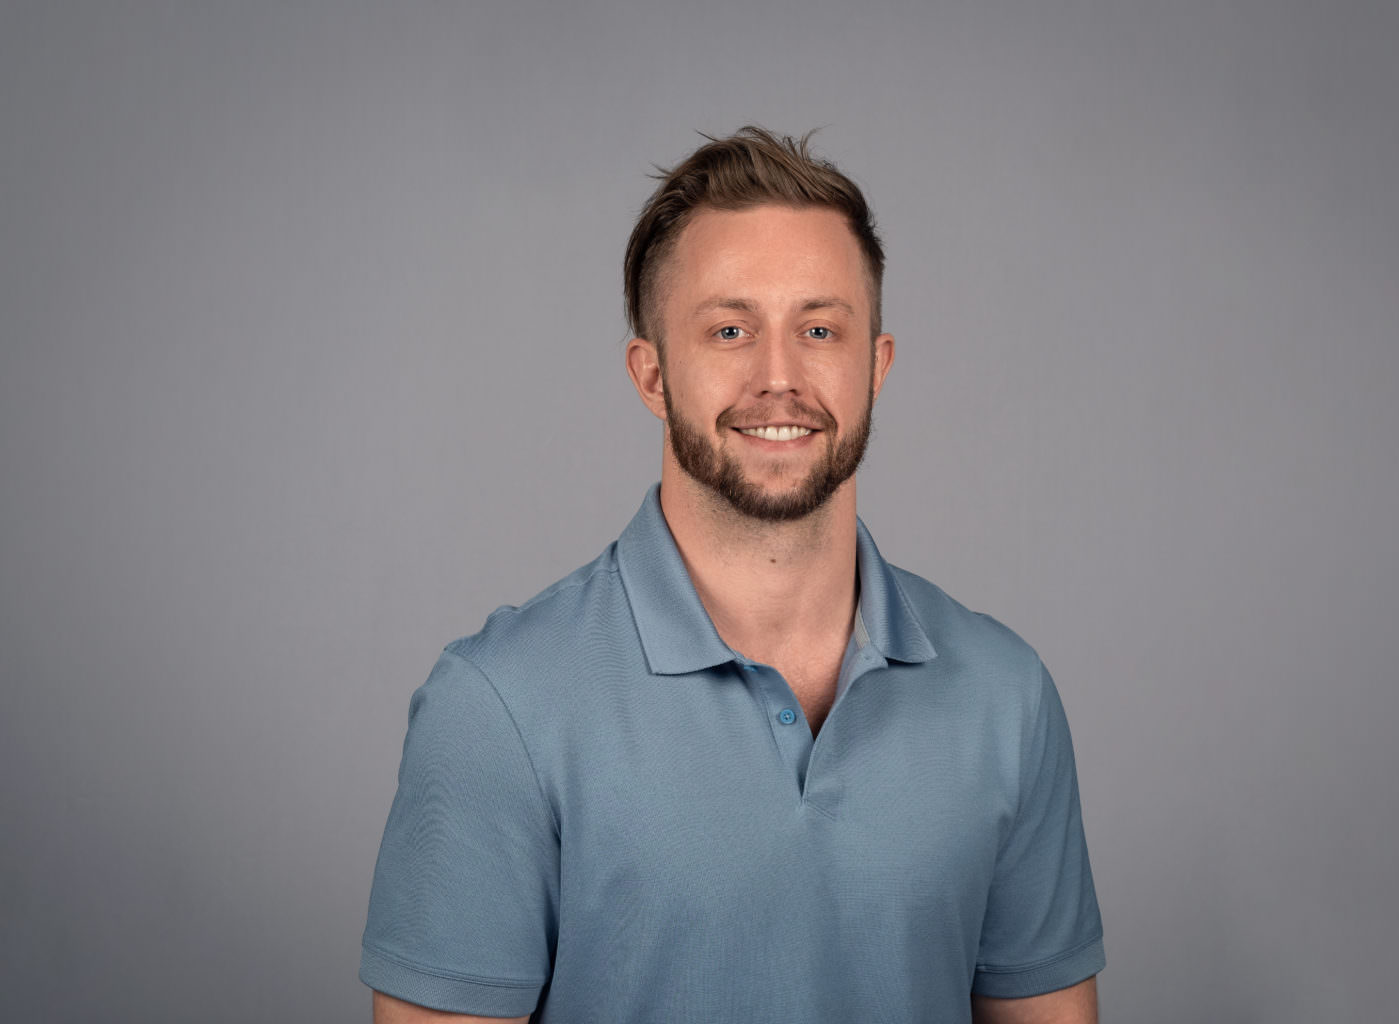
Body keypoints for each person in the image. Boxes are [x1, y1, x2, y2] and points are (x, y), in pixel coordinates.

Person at [361, 127, 1104, 1024]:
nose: (778, 377)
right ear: (652, 375)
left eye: (819, 329)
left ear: (876, 366)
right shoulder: (499, 707)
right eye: (729, 330)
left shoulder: (1006, 695)